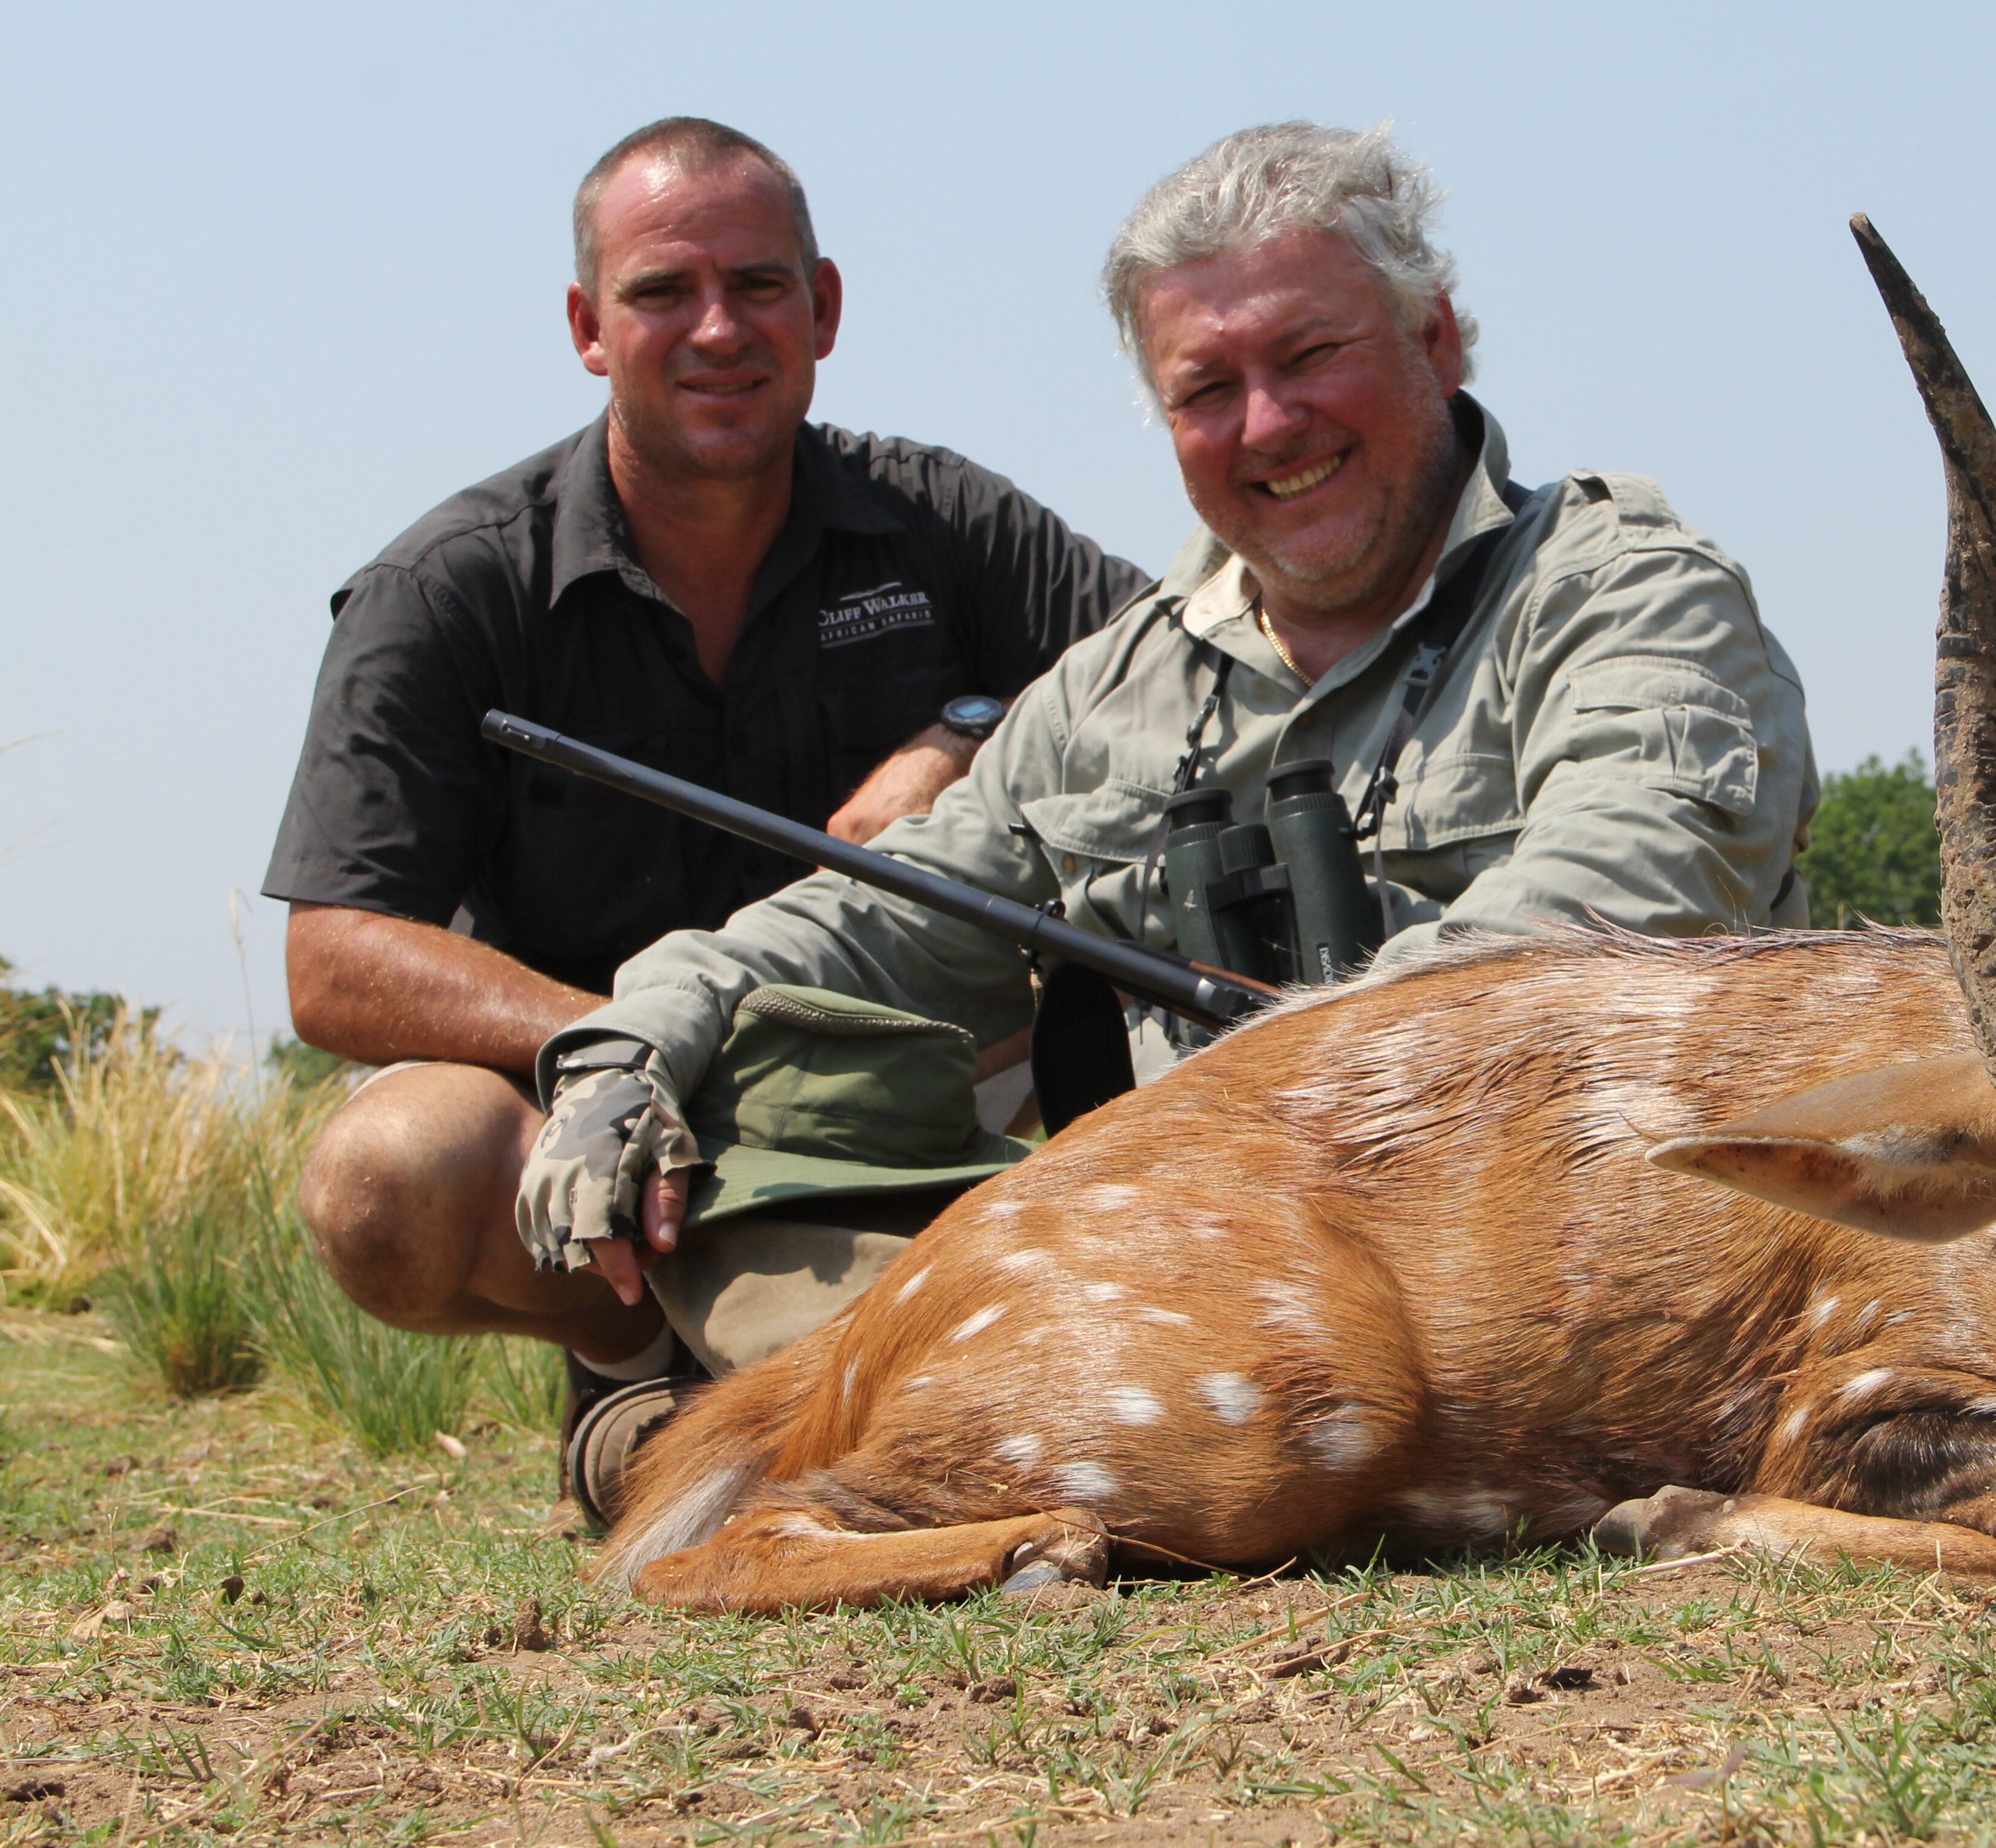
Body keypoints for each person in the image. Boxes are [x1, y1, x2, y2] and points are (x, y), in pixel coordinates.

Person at [518, 121, 1819, 1515]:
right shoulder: (1105, 694)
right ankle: (770, 1420)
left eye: (1311, 356)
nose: (1268, 426)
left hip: (1582, 1305)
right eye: (1208, 388)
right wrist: (629, 1046)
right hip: (1233, 1306)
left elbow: (1625, 897)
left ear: (1436, 339)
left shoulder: (1629, 593)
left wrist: (1242, 1100)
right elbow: (872, 918)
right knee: (762, 1103)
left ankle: (751, 1437)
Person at [263, 117, 1147, 1471]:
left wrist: (968, 728)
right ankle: (625, 1358)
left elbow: (1195, 660)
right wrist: (633, 1051)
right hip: (598, 1127)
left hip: (915, 1100)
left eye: (758, 286)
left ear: (825, 307)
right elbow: (332, 959)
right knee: (385, 1174)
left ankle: (819, 1386)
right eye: (663, 292)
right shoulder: (442, 590)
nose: (718, 329)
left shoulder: (946, 519)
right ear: (588, 327)